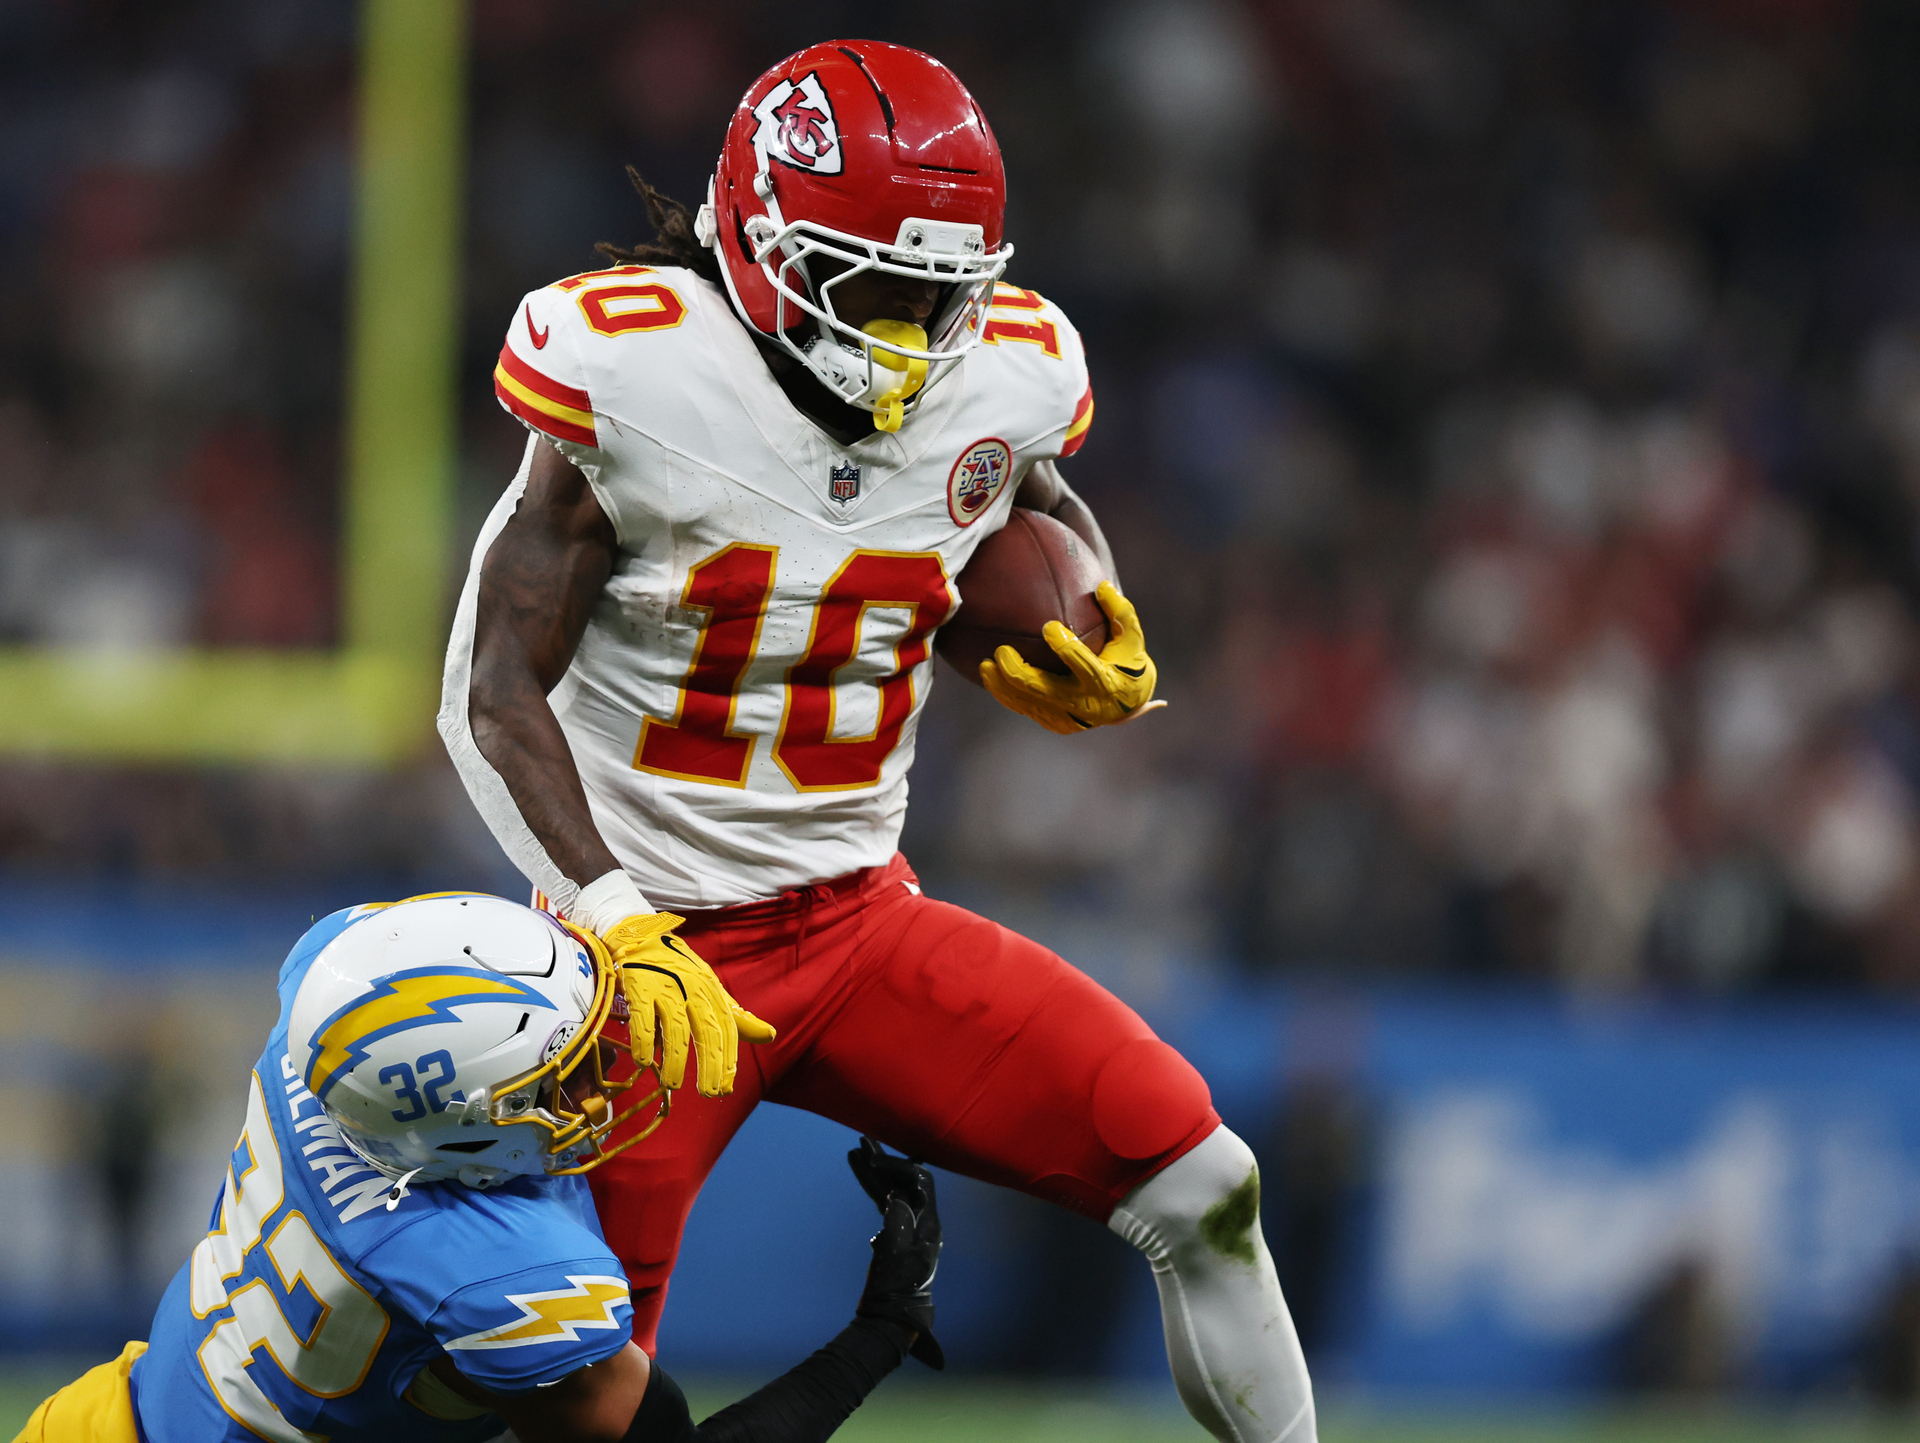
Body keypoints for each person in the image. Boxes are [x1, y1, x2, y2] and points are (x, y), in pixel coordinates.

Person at [440, 38, 1315, 1443]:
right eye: (875, 291)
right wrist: (611, 917)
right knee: (584, 1401)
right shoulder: (635, 372)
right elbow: (488, 695)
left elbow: (1022, 496)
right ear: (766, 240)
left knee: (1206, 1182)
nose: (910, 337)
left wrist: (1093, 606)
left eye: (937, 299)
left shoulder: (1006, 369)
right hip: (648, 960)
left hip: (859, 926)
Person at [14, 893, 942, 1443]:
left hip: (106, 1416)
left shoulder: (333, 1015)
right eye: (560, 1075)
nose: (601, 1076)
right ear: (461, 1134)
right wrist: (879, 1331)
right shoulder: (494, 1270)